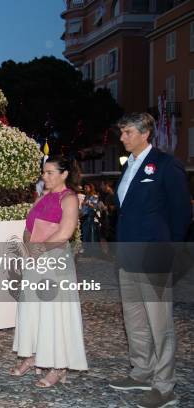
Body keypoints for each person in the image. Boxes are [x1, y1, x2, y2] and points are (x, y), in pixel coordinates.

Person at [108, 113, 191, 408]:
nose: (122, 138)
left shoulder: (167, 165)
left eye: (127, 132)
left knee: (160, 324)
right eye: (121, 132)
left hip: (154, 254)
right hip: (128, 255)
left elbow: (182, 213)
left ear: (145, 134)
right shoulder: (129, 166)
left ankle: (165, 386)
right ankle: (141, 371)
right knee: (135, 319)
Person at [11, 156, 88, 387]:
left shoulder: (69, 198)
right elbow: (28, 227)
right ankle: (35, 355)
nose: (45, 176)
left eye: (50, 172)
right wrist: (29, 248)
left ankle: (59, 365)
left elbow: (65, 232)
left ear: (64, 174)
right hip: (36, 259)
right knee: (34, 310)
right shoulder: (42, 197)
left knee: (54, 313)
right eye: (44, 172)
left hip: (54, 260)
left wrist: (38, 250)